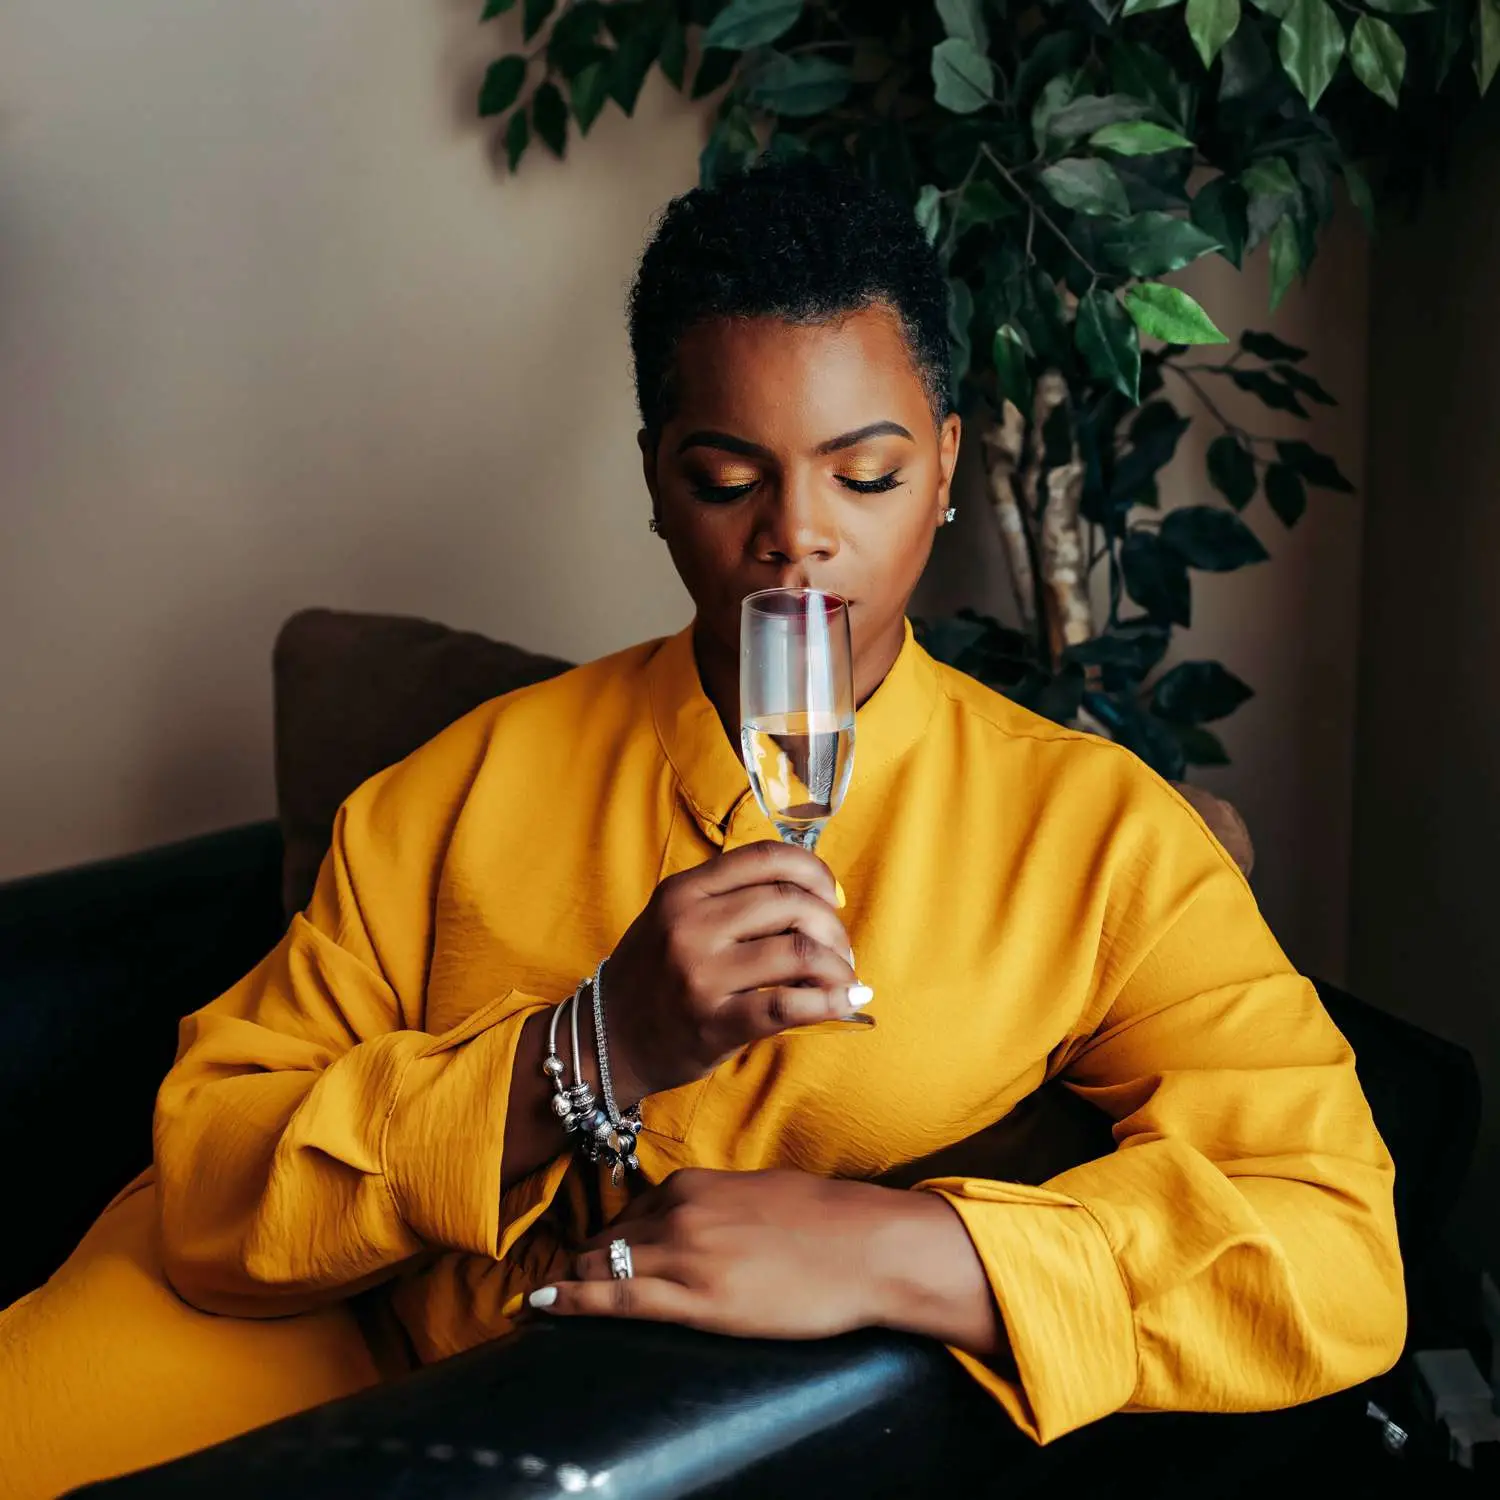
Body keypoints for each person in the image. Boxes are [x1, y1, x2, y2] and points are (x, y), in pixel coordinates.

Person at [0, 159, 1405, 1497]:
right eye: (729, 480)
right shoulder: (462, 784)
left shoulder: (1093, 834)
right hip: (294, 1334)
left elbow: (1337, 1244)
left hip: (619, 1439)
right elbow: (209, 1189)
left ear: (945, 466)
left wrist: (908, 1250)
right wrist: (586, 1048)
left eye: (865, 475)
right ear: (657, 481)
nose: (797, 537)